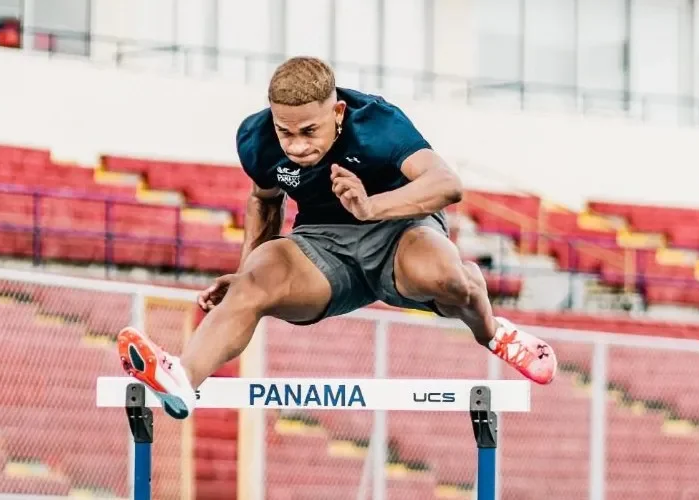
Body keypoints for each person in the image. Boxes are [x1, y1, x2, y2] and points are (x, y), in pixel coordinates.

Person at [116, 56, 557, 420]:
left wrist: (372, 208)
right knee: (256, 281)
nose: (297, 146)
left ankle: (494, 333)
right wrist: (245, 270)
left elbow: (447, 184)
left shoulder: (377, 123)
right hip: (321, 247)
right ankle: (181, 379)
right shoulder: (257, 138)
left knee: (446, 278)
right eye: (285, 131)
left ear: (338, 113)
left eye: (310, 131)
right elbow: (264, 201)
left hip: (398, 230)